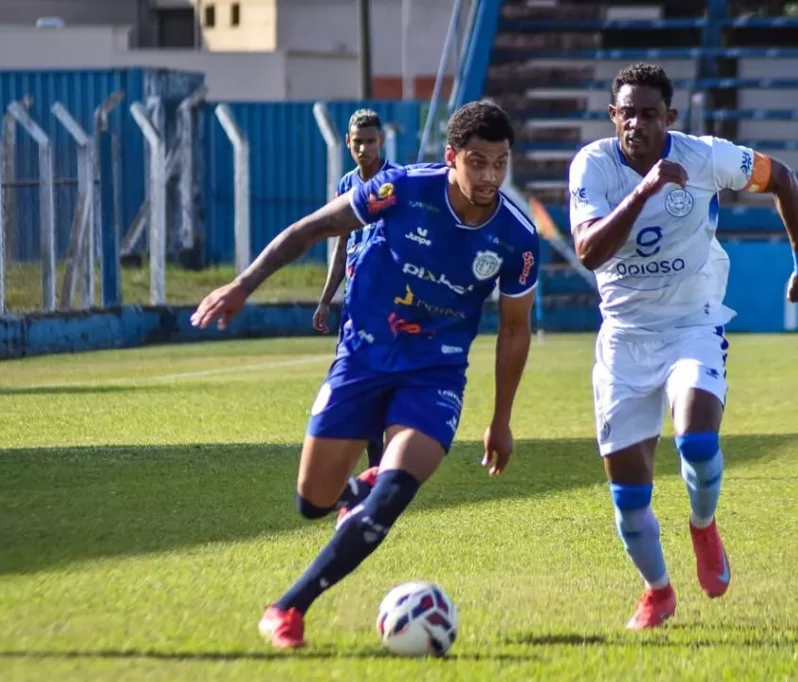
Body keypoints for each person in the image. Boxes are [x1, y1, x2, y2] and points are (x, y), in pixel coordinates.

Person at [190, 101, 540, 649]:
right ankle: (355, 492)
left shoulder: (517, 238)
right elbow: (310, 229)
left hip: (436, 374)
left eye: (501, 163)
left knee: (396, 488)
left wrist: (501, 420)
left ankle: (287, 608)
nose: (491, 176)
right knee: (312, 501)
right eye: (478, 162)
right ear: (452, 158)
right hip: (362, 358)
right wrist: (243, 285)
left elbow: (515, 330)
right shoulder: (400, 189)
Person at [568, 63, 798, 630]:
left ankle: (703, 526)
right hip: (625, 341)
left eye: (649, 113)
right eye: (626, 112)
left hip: (693, 323)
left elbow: (780, 177)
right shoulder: (592, 165)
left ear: (670, 118)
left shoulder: (705, 155)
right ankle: (657, 592)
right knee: (629, 500)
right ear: (613, 116)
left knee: (698, 442)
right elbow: (588, 251)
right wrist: (648, 186)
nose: (636, 122)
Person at [312, 108, 399, 469]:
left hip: (392, 302)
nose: (364, 149)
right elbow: (341, 244)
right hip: (355, 304)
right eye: (358, 142)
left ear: (381, 142)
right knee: (357, 384)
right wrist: (325, 299)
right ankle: (375, 465)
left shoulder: (397, 182)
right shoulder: (346, 186)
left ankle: (390, 462)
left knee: (388, 384)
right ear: (347, 143)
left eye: (370, 142)